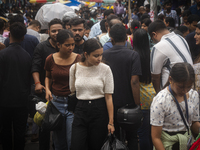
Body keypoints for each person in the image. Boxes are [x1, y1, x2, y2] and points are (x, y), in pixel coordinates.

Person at [70, 38, 115, 150]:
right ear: (86, 54)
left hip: (99, 109)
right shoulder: (75, 68)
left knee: (96, 145)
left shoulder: (105, 69)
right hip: (80, 109)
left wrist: (111, 122)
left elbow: (108, 97)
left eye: (101, 55)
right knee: (76, 145)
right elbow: (72, 90)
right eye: (96, 55)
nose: (99, 58)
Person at [103, 23, 141, 150]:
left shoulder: (104, 55)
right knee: (132, 136)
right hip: (129, 103)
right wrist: (137, 104)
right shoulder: (133, 55)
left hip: (110, 103)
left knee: (115, 136)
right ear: (126, 38)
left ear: (111, 38)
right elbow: (134, 81)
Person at [44, 29, 81, 150]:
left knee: (72, 141)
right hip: (56, 103)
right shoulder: (50, 59)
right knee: (58, 141)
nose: (71, 47)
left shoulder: (78, 59)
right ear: (58, 45)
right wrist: (48, 90)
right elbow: (48, 76)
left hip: (73, 104)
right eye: (67, 45)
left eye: (72, 44)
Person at [151, 62, 200, 150]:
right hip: (168, 145)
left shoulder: (193, 95)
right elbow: (156, 137)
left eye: (188, 87)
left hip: (186, 143)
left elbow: (193, 123)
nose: (185, 90)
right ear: (170, 79)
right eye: (181, 87)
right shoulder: (161, 100)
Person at [31, 18, 63, 150]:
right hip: (44, 92)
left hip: (62, 92)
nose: (56, 33)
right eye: (53, 31)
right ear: (48, 31)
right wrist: (38, 83)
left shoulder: (68, 45)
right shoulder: (42, 46)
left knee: (60, 126)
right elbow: (35, 67)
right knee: (44, 125)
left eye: (59, 31)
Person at [0, 22, 32, 150]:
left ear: (10, 35)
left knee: (5, 130)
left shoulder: (2, 55)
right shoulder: (27, 56)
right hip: (21, 100)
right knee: (20, 132)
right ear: (23, 37)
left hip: (4, 101)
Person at [148, 20, 193, 93]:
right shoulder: (181, 38)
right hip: (190, 89)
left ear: (154, 34)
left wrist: (159, 94)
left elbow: (155, 77)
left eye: (152, 40)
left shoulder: (157, 47)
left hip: (173, 93)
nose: (153, 42)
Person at [133, 29, 155, 150]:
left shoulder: (134, 56)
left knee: (142, 133)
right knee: (153, 132)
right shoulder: (152, 53)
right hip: (153, 93)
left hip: (141, 96)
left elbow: (134, 80)